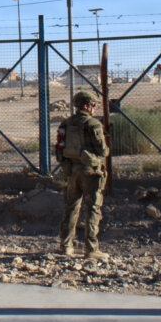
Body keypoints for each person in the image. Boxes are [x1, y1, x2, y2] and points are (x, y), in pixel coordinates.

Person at [58, 90, 109, 258]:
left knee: (71, 208)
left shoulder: (65, 124)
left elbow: (59, 149)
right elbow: (102, 150)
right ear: (87, 106)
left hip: (71, 171)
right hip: (90, 172)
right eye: (93, 105)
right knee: (93, 208)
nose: (94, 109)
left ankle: (66, 246)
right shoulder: (93, 124)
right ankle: (91, 249)